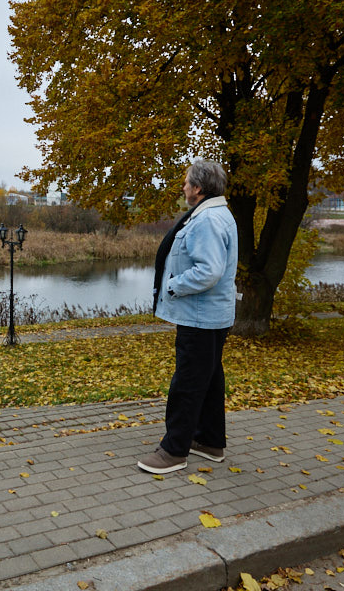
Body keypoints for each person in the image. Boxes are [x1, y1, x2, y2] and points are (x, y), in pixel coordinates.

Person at [137, 160, 238, 475]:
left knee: (188, 382)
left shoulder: (207, 219)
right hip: (209, 315)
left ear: (198, 188)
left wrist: (172, 286)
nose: (183, 187)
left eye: (186, 183)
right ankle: (209, 441)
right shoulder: (215, 214)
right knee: (208, 379)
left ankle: (174, 450)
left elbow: (208, 271)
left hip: (200, 316)